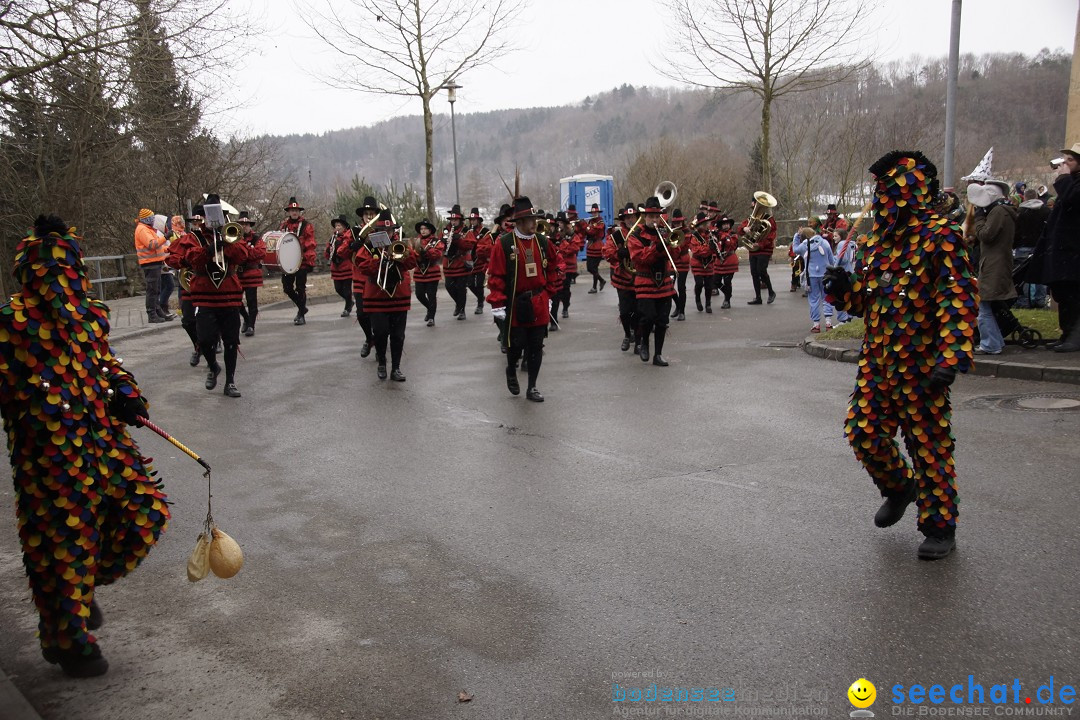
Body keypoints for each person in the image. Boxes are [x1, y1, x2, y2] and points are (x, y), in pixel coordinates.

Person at [1, 215, 169, 677]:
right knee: (62, 544)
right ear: (30, 272)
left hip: (104, 443)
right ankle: (67, 638)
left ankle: (78, 589)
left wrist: (125, 390)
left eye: (68, 271)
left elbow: (103, 361)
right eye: (49, 272)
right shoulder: (10, 324)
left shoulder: (88, 315)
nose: (61, 281)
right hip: (48, 462)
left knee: (145, 512)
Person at [824, 150, 977, 560]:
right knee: (863, 432)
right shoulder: (876, 242)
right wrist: (843, 289)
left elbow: (956, 298)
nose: (882, 200)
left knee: (929, 446)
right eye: (879, 192)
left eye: (889, 190)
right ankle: (897, 486)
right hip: (878, 363)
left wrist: (951, 354)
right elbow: (870, 303)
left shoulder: (941, 235)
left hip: (922, 363)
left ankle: (939, 527)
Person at [168, 194, 253, 397]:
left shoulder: (231, 235)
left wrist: (225, 242)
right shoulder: (192, 238)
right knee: (205, 340)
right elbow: (186, 259)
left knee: (231, 340)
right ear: (203, 217)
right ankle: (213, 367)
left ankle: (230, 382)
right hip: (205, 297)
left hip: (229, 296)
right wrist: (209, 249)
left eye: (219, 216)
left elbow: (243, 256)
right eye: (209, 215)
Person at [487, 196, 563, 401]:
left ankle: (532, 387)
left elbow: (554, 268)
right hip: (515, 302)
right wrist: (498, 303)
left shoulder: (543, 241)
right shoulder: (503, 244)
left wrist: (549, 294)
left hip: (538, 301)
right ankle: (511, 369)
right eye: (530, 220)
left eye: (534, 219)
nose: (534, 223)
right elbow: (496, 276)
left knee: (536, 345)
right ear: (519, 222)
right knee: (515, 345)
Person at [352, 210, 418, 381]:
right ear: (378, 231)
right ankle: (382, 362)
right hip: (376, 296)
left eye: (390, 231)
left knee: (398, 335)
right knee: (380, 333)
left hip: (399, 295)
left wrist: (401, 257)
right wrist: (381, 260)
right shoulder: (369, 246)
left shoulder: (399, 242)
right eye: (384, 231)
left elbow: (412, 262)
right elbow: (362, 265)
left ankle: (395, 368)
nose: (388, 234)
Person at [1027, 142, 1080, 352]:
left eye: (1071, 160)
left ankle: (1075, 337)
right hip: (1061, 251)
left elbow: (1075, 199)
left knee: (1075, 297)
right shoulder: (1069, 183)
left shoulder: (1070, 184)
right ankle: (1066, 333)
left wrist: (1064, 178)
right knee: (1063, 294)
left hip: (1074, 251)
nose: (1065, 164)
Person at [968, 178, 1017, 354]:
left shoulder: (998, 212)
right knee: (986, 305)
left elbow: (987, 235)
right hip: (995, 262)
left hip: (993, 264)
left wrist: (980, 220)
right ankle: (994, 341)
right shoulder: (1003, 211)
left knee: (983, 306)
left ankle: (990, 344)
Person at [628, 196, 677, 366]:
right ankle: (644, 345)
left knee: (663, 320)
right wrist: (656, 248)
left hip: (663, 281)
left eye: (657, 216)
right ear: (645, 217)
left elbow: (675, 253)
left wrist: (670, 244)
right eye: (651, 217)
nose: (655, 220)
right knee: (647, 317)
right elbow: (639, 258)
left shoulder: (664, 232)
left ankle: (658, 354)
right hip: (645, 281)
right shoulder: (635, 235)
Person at [604, 204, 641, 352]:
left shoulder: (642, 233)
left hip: (639, 278)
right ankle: (627, 335)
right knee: (624, 312)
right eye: (627, 217)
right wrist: (620, 253)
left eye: (633, 217)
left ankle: (638, 341)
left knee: (638, 312)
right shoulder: (616, 236)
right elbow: (607, 253)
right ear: (623, 219)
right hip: (623, 278)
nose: (630, 219)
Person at [172, 206, 205, 365]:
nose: (197, 224)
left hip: (207, 283)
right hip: (188, 283)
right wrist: (182, 261)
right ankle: (198, 346)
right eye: (194, 221)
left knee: (208, 319)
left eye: (200, 221)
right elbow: (172, 258)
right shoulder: (185, 239)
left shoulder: (212, 237)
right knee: (187, 321)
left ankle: (211, 343)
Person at [279, 196, 316, 325]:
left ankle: (301, 314)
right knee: (287, 288)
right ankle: (302, 307)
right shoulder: (283, 225)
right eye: (291, 210)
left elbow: (310, 243)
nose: (294, 212)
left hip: (302, 261)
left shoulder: (306, 225)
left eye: (296, 210)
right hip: (287, 262)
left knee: (300, 288)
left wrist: (307, 258)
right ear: (288, 212)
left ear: (299, 211)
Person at [792, 227, 837, 332]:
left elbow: (795, 249)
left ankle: (816, 324)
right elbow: (831, 260)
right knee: (827, 297)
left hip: (811, 276)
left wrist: (796, 236)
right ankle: (828, 322)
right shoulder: (825, 243)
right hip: (825, 274)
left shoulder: (804, 245)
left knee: (813, 299)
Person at [352, 196, 380, 356]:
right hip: (359, 277)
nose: (369, 216)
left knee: (377, 314)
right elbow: (343, 251)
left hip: (376, 277)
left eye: (372, 213)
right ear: (362, 216)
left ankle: (379, 341)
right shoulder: (355, 231)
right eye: (367, 213)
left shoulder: (381, 230)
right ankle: (369, 339)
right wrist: (353, 244)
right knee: (361, 314)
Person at [1014, 188, 1050, 309]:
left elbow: (1016, 231)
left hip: (1023, 246)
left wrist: (1015, 243)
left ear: (1025, 197)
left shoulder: (1020, 211)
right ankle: (1040, 300)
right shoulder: (1046, 211)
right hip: (1041, 246)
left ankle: (1024, 300)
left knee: (1023, 276)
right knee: (1040, 274)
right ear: (1037, 197)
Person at [737, 198, 777, 305]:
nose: (755, 209)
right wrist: (744, 229)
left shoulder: (769, 219)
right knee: (754, 272)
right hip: (753, 249)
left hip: (764, 249)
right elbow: (740, 230)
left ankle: (771, 292)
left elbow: (771, 235)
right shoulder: (751, 218)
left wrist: (760, 244)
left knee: (761, 270)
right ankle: (758, 297)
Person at [134, 208, 170, 323]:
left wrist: (169, 249)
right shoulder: (143, 229)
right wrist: (166, 237)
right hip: (150, 263)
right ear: (147, 219)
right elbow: (152, 245)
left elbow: (157, 247)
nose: (154, 220)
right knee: (152, 290)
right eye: (152, 218)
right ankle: (152, 314)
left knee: (156, 289)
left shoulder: (147, 229)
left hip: (154, 262)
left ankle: (158, 311)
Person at [235, 211, 267, 337]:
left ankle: (251, 325)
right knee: (236, 300)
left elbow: (260, 253)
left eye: (246, 224)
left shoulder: (256, 238)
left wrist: (245, 251)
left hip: (252, 273)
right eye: (241, 224)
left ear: (250, 225)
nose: (244, 226)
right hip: (238, 273)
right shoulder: (234, 238)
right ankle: (246, 318)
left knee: (251, 300)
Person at [442, 204, 475, 319]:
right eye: (452, 220)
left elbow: (470, 245)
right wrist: (443, 242)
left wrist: (458, 240)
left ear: (460, 220)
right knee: (448, 286)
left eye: (455, 220)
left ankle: (462, 310)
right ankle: (459, 304)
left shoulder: (466, 231)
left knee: (461, 288)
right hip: (449, 263)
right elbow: (440, 244)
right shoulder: (446, 230)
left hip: (460, 262)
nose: (453, 222)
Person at [412, 219, 444, 327]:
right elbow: (412, 255)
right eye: (421, 229)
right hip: (419, 272)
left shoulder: (436, 242)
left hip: (432, 271)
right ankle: (430, 309)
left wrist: (426, 252)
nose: (423, 231)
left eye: (425, 228)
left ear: (430, 230)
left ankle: (431, 317)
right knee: (419, 294)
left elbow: (438, 254)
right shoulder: (416, 241)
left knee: (431, 295)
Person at [326, 214, 355, 317]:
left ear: (344, 227)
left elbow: (346, 250)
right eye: (336, 226)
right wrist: (328, 252)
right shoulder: (333, 238)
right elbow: (329, 249)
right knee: (338, 289)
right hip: (336, 268)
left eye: (339, 226)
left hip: (346, 267)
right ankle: (350, 301)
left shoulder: (348, 237)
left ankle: (347, 307)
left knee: (347, 290)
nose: (337, 228)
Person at [689, 212, 717, 313]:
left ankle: (708, 304)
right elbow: (696, 250)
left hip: (709, 263)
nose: (706, 225)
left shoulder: (711, 234)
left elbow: (715, 248)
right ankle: (697, 299)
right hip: (698, 263)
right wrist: (709, 248)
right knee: (699, 284)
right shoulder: (694, 236)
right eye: (704, 224)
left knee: (709, 285)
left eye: (707, 223)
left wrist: (715, 245)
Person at [667, 209, 691, 321]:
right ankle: (678, 304)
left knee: (681, 287)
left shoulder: (687, 232)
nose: (677, 225)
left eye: (679, 223)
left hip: (683, 261)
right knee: (669, 285)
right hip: (672, 262)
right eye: (675, 223)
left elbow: (684, 245)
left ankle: (682, 311)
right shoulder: (670, 231)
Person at [465, 208, 489, 314]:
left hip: (481, 262)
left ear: (478, 220)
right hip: (470, 262)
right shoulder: (468, 232)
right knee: (470, 284)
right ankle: (481, 297)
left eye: (474, 220)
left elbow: (487, 245)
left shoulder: (485, 231)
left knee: (479, 284)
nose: (472, 222)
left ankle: (480, 304)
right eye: (471, 220)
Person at [713, 215, 739, 309]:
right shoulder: (717, 234)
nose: (726, 226)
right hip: (719, 260)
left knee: (727, 281)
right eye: (724, 224)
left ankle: (727, 300)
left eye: (727, 224)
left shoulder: (733, 234)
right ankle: (728, 293)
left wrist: (725, 237)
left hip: (730, 259)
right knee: (716, 281)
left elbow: (732, 245)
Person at [584, 203, 608, 293]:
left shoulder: (600, 221)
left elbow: (594, 231)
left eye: (595, 212)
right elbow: (587, 232)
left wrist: (588, 228)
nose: (594, 214)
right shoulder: (590, 221)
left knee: (593, 268)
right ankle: (600, 282)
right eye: (593, 213)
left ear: (598, 212)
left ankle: (596, 286)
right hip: (590, 246)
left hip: (597, 246)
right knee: (591, 268)